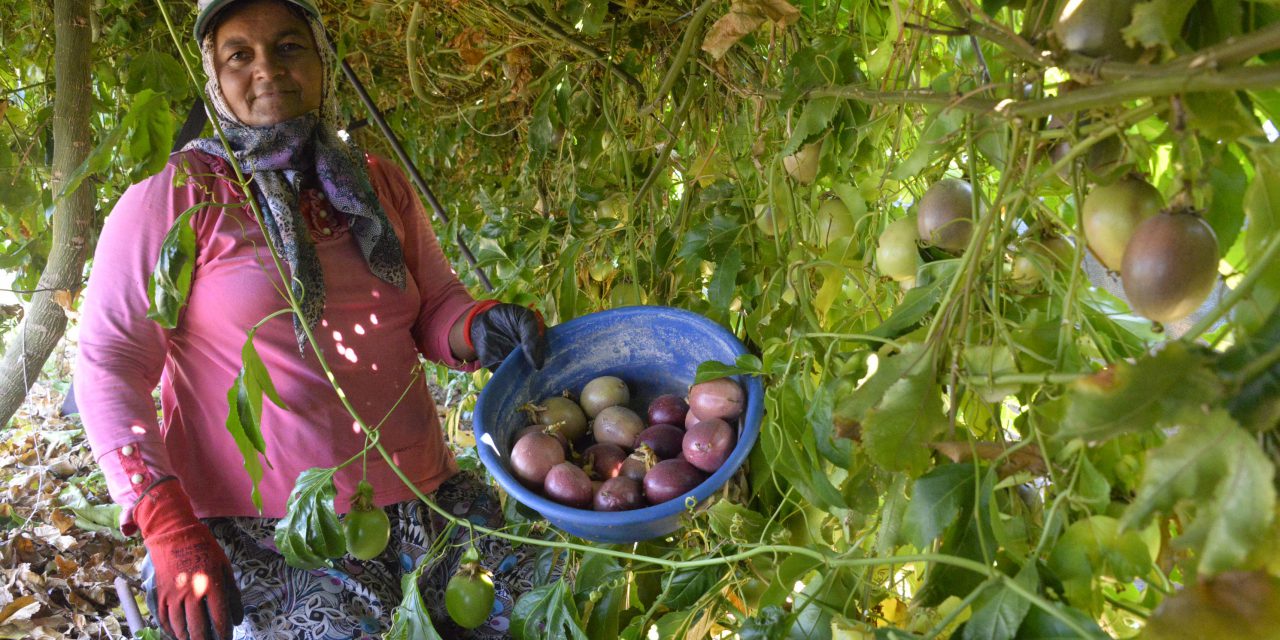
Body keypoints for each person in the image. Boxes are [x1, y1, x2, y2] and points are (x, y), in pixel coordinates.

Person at [74, 0, 547, 637]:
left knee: (551, 607)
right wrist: (164, 521)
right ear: (214, 76)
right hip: (273, 534)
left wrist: (478, 328)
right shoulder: (180, 194)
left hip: (426, 499)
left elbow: (435, 306)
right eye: (240, 54)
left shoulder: (374, 183)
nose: (268, 69)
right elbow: (110, 362)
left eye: (290, 46)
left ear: (323, 62)